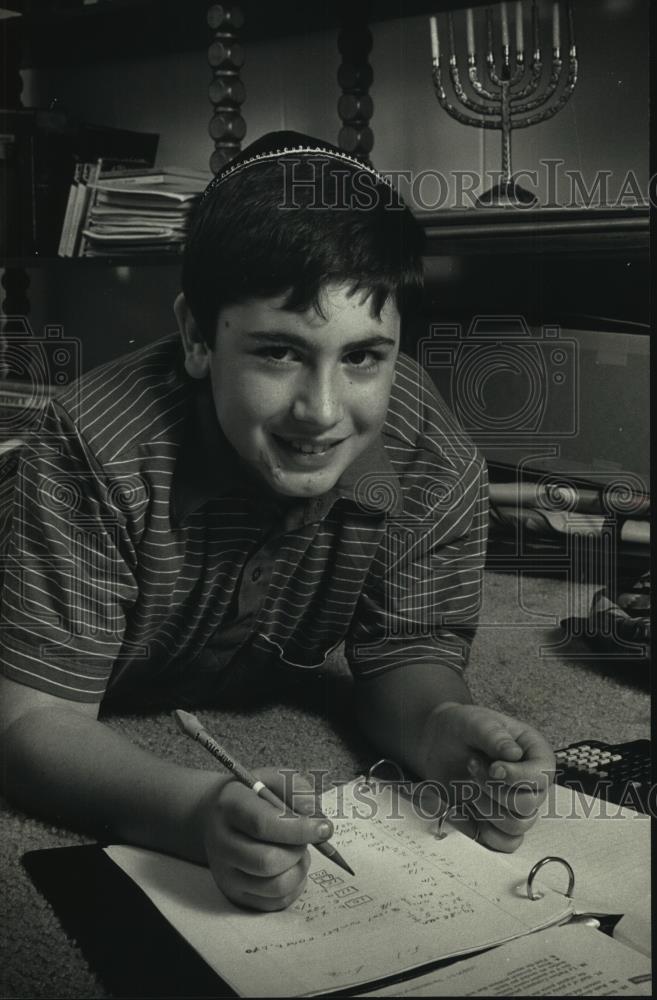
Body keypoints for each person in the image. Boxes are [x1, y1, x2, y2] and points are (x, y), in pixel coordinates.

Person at [0, 131, 554, 913]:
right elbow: (30, 723)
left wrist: (434, 724)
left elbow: (402, 651)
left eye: (363, 357)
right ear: (197, 336)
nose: (322, 412)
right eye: (278, 353)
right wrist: (191, 814)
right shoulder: (92, 443)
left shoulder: (431, 454)